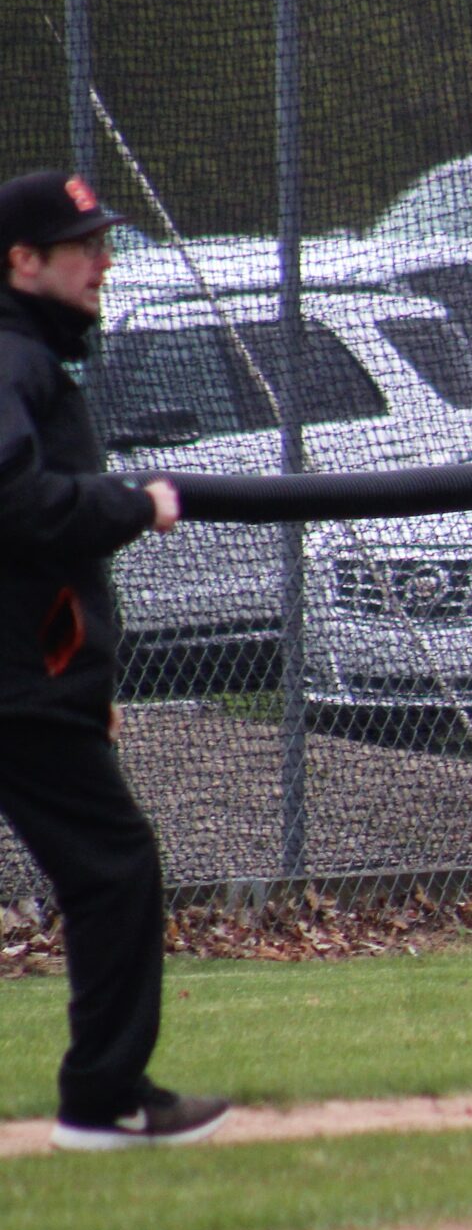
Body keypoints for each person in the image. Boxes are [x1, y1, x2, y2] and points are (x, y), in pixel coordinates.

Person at [0, 169, 226, 1150]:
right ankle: (103, 1098)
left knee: (110, 868)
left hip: (34, 680)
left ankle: (105, 1091)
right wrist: (136, 503)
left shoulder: (32, 357)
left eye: (103, 241)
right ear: (23, 261)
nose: (103, 261)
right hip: (17, 682)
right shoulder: (12, 356)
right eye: (81, 244)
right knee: (115, 868)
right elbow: (17, 502)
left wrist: (85, 683)